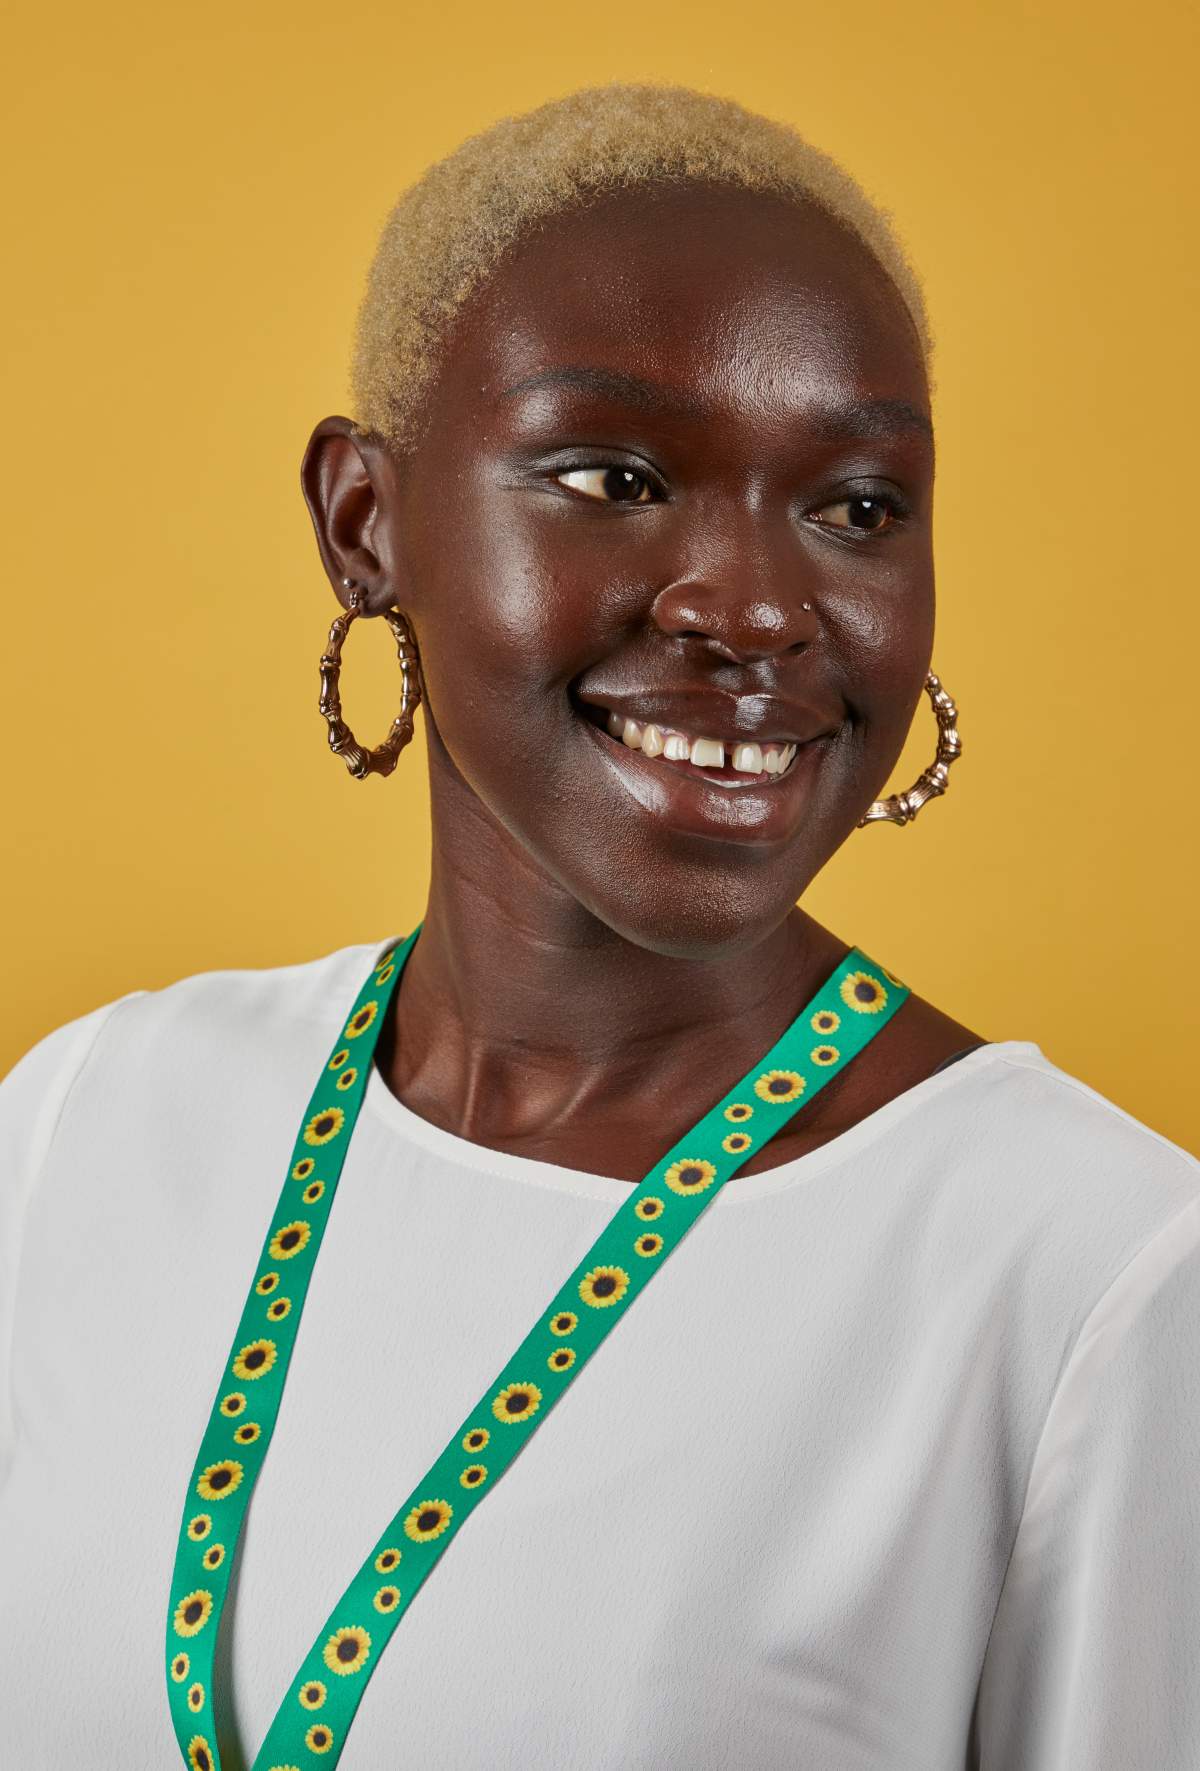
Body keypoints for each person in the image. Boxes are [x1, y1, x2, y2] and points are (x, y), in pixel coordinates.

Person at [1, 81, 1197, 1771]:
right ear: (365, 522)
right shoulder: (87, 1127)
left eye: (856, 506)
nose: (758, 605)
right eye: (615, 474)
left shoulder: (1092, 1283)